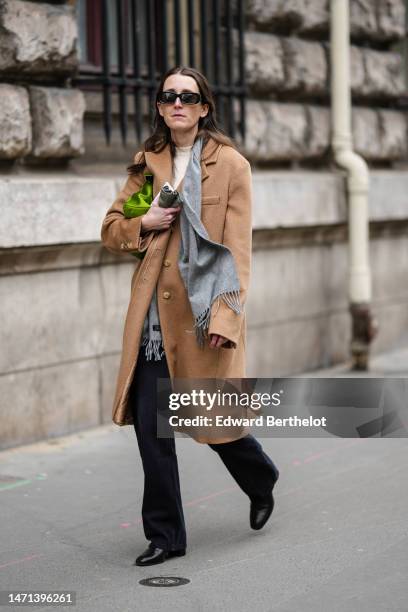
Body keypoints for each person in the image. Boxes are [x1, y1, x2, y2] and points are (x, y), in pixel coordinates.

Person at [100, 66, 279, 567]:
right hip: (153, 320)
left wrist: (226, 320)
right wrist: (146, 220)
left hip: (203, 316)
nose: (178, 103)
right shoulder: (145, 164)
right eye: (168, 96)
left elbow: (238, 254)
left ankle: (259, 475)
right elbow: (111, 229)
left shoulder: (231, 166)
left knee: (215, 425)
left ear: (204, 108)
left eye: (188, 96)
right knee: (152, 432)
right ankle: (165, 536)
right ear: (159, 107)